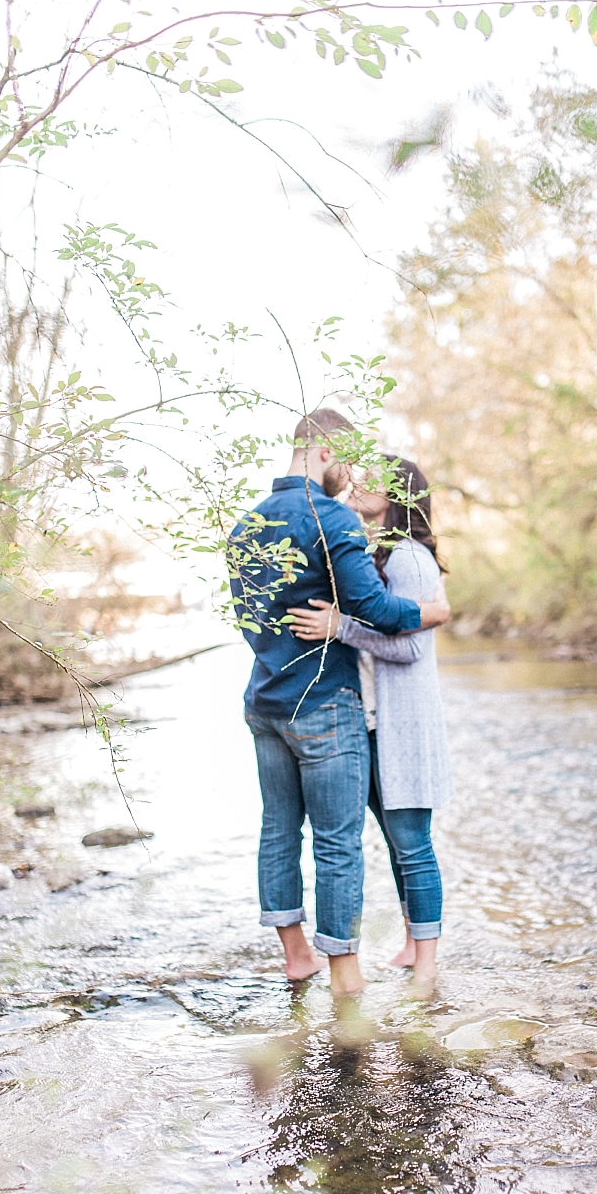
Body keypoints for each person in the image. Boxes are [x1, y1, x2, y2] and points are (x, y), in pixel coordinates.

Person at [228, 411, 450, 997]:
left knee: (278, 829)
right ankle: (346, 979)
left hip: (266, 698)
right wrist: (431, 613)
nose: (353, 477)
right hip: (325, 702)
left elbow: (250, 621)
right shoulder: (332, 521)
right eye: (349, 460)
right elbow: (375, 610)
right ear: (327, 451)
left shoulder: (246, 525)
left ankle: (296, 955)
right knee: (336, 843)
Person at [287, 459, 452, 988]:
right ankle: (410, 946)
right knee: (395, 842)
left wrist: (342, 628)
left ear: (399, 497)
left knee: (412, 844)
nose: (359, 484)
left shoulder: (408, 556)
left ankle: (426, 964)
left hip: (404, 726)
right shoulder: (378, 552)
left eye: (374, 480)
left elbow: (408, 648)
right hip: (376, 722)